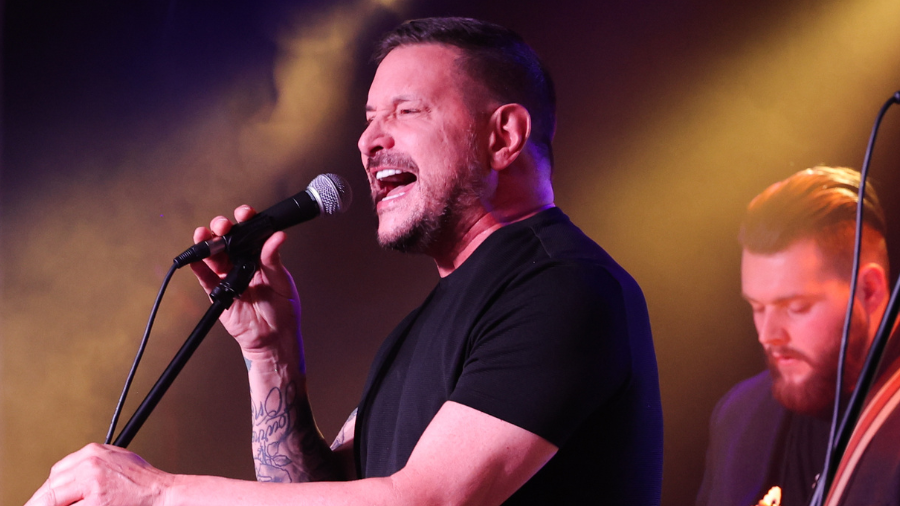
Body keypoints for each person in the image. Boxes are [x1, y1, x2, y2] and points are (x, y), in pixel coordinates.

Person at [25, 17, 663, 506]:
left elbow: (425, 501)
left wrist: (157, 494)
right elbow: (319, 496)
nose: (368, 140)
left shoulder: (564, 287)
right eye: (368, 119)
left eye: (406, 111)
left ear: (503, 136)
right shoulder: (420, 329)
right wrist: (270, 355)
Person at [696, 166, 892, 506]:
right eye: (757, 307)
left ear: (869, 291)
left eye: (796, 307)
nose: (767, 335)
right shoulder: (738, 416)